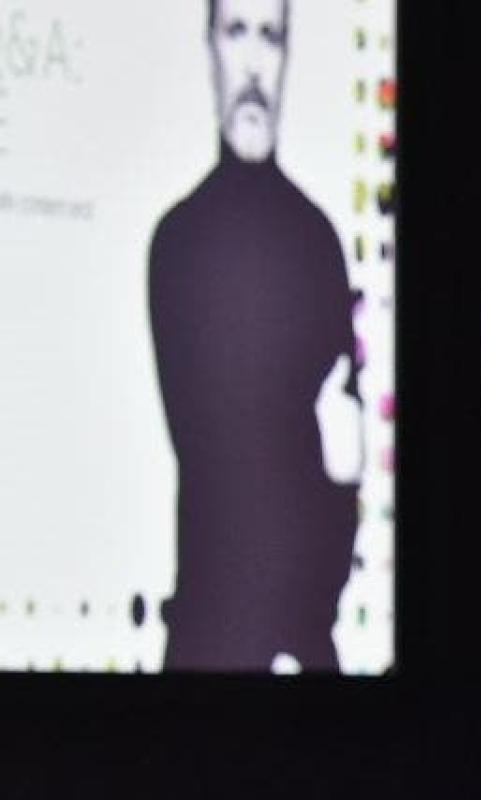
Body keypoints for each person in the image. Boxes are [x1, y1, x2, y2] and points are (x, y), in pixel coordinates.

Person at [148, 0, 362, 672]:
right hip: (211, 633)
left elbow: (344, 443)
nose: (252, 64)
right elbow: (208, 444)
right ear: (210, 47)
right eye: (235, 32)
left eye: (270, 36)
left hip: (308, 633)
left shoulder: (317, 237)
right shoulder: (179, 240)